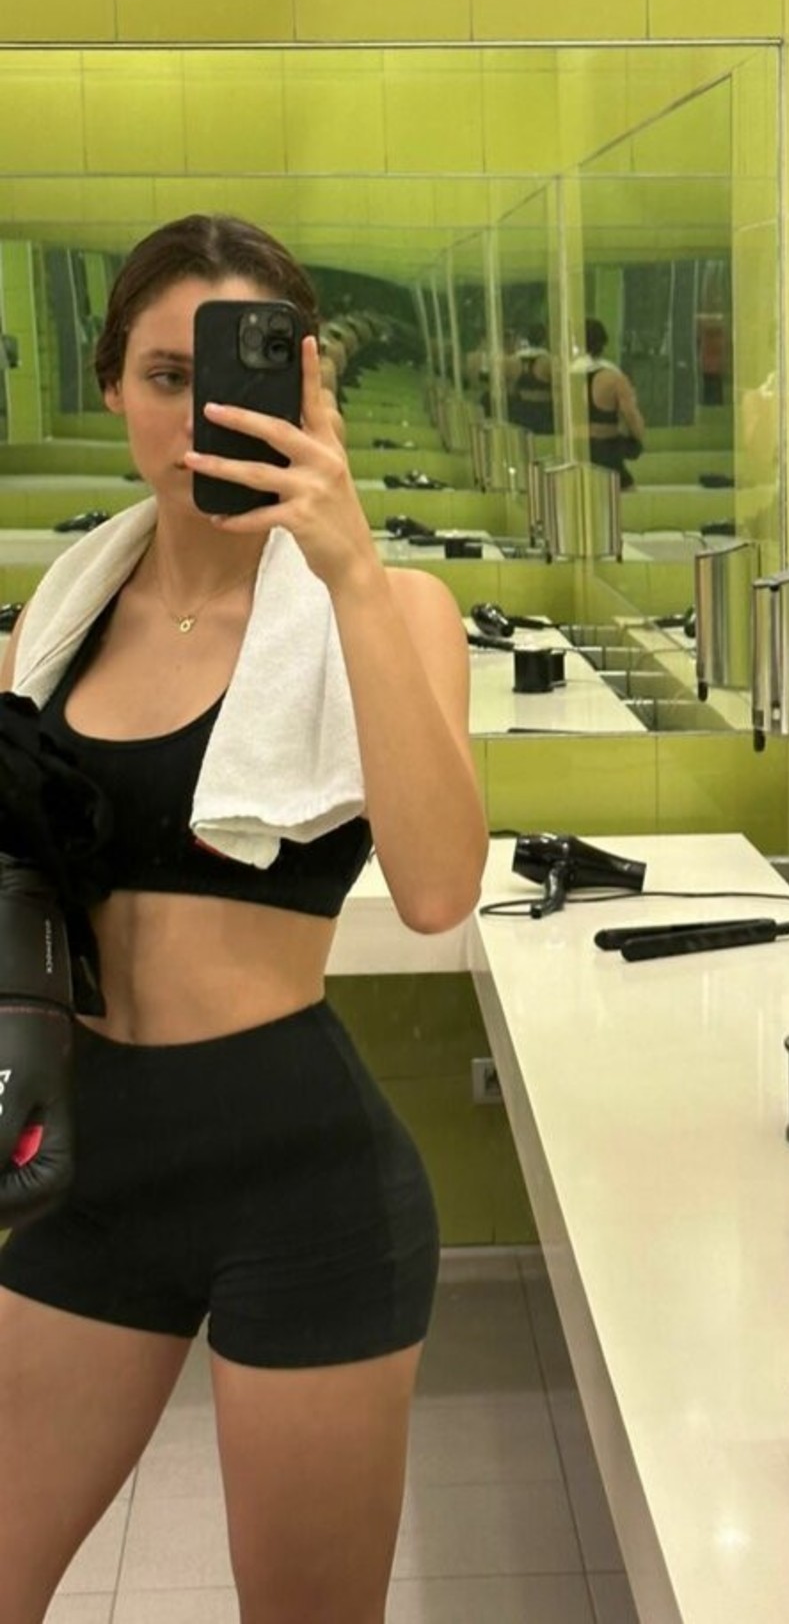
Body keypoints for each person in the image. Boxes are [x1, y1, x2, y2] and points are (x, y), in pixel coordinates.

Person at [0, 213, 488, 1624]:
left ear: (306, 386)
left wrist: (348, 569)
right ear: (111, 382)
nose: (198, 414)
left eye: (233, 376)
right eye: (164, 375)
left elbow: (438, 887)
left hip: (305, 1181)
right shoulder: (56, 622)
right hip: (87, 1164)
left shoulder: (395, 606)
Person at [580, 318, 646, 490]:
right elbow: (631, 416)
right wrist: (638, 438)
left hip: (576, 448)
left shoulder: (567, 375)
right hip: (605, 451)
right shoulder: (613, 378)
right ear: (603, 343)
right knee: (627, 495)